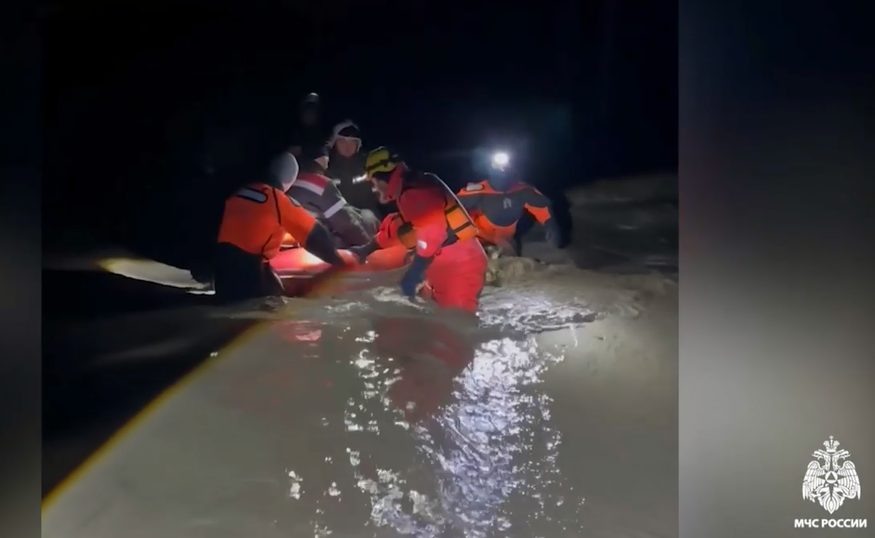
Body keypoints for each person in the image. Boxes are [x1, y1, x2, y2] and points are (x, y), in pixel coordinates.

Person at [349, 147, 488, 313]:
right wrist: (367, 249)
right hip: (447, 263)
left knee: (458, 322)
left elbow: (433, 234)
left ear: (379, 179)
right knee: (436, 315)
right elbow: (398, 227)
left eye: (373, 183)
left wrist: (415, 272)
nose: (375, 189)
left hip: (459, 266)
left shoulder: (414, 193)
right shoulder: (410, 189)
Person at [215, 152, 347, 302]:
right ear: (289, 179)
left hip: (222, 273)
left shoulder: (238, 193)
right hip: (248, 275)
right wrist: (339, 262)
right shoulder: (277, 199)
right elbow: (315, 235)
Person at [456, 156, 561, 256]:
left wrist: (552, 227)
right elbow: (452, 209)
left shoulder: (523, 191)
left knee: (511, 258)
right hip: (476, 236)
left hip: (504, 239)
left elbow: (542, 208)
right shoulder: (477, 192)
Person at [287, 144, 378, 248]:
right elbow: (346, 223)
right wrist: (367, 247)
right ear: (323, 161)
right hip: (317, 244)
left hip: (294, 237)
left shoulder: (289, 180)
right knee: (368, 216)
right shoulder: (319, 184)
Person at [325, 119, 392, 219]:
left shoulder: (369, 165)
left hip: (367, 216)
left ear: (358, 145)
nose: (347, 146)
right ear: (335, 144)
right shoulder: (326, 168)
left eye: (352, 142)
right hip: (337, 219)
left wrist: (383, 195)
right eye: (342, 141)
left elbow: (380, 194)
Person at [288, 92, 329, 159]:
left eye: (313, 111)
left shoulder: (322, 132)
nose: (310, 114)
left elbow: (323, 155)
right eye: (307, 110)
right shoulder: (293, 131)